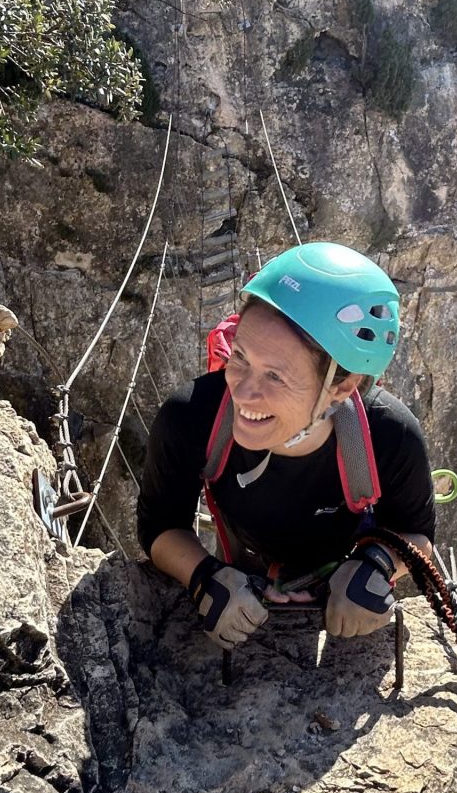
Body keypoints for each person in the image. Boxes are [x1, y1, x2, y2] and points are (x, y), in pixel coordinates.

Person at [137, 242, 436, 650]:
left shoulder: (388, 436)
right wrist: (203, 574)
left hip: (345, 572)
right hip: (243, 567)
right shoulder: (192, 416)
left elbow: (416, 535)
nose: (243, 392)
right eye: (239, 357)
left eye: (275, 377)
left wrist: (377, 564)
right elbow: (158, 525)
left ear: (341, 386)